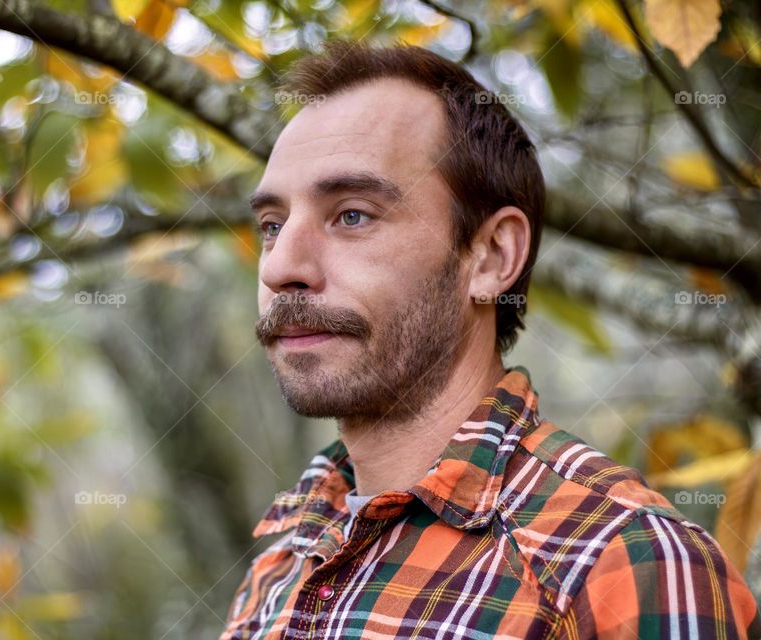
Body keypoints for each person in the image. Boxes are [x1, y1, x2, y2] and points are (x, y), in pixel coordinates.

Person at [220, 40, 761, 639]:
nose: (278, 269)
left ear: (492, 257)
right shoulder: (290, 544)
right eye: (272, 225)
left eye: (352, 214)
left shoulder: (627, 562)